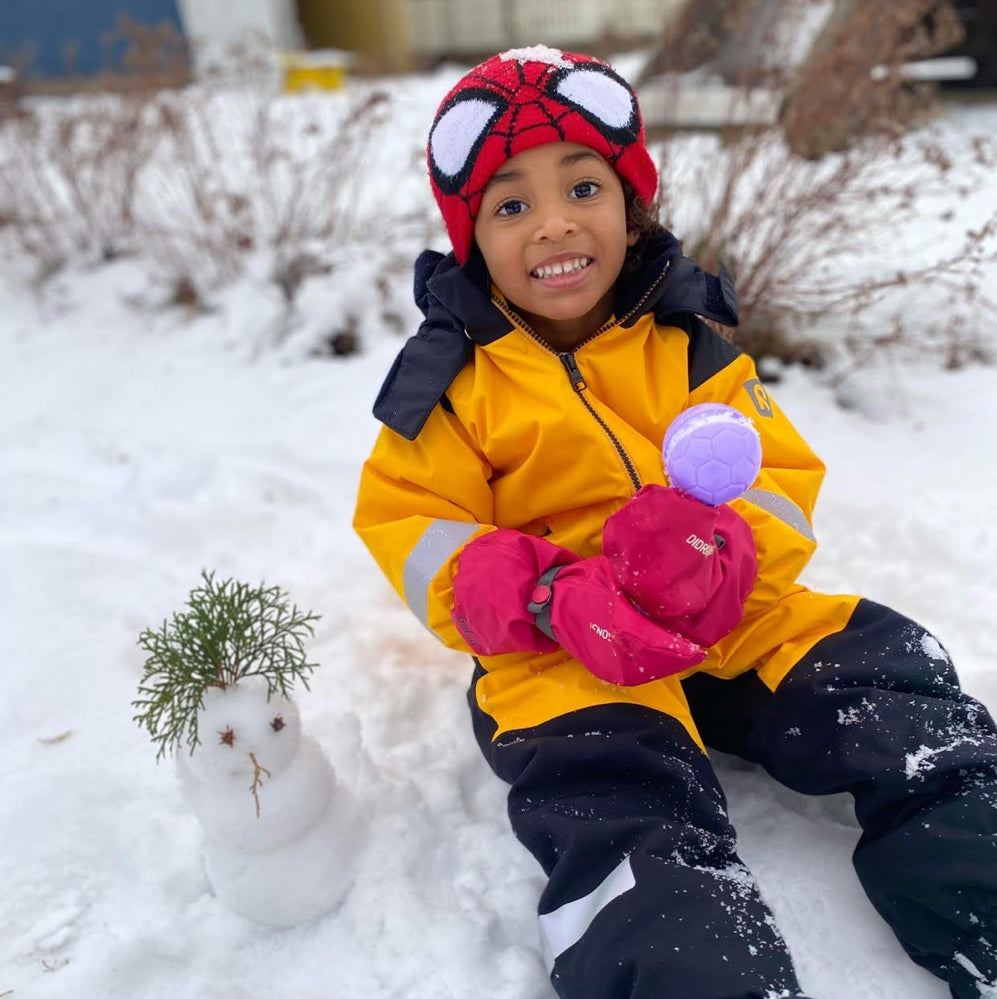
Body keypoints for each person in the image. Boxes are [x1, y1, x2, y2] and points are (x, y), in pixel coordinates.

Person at [353, 45, 997, 999]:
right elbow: (413, 526)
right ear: (472, 237)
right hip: (564, 651)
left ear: (630, 203)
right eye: (512, 204)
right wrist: (543, 593)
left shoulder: (686, 344)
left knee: (891, 685)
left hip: (726, 613)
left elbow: (773, 472)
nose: (555, 223)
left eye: (583, 185)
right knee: (617, 809)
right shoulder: (452, 386)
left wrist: (729, 554)